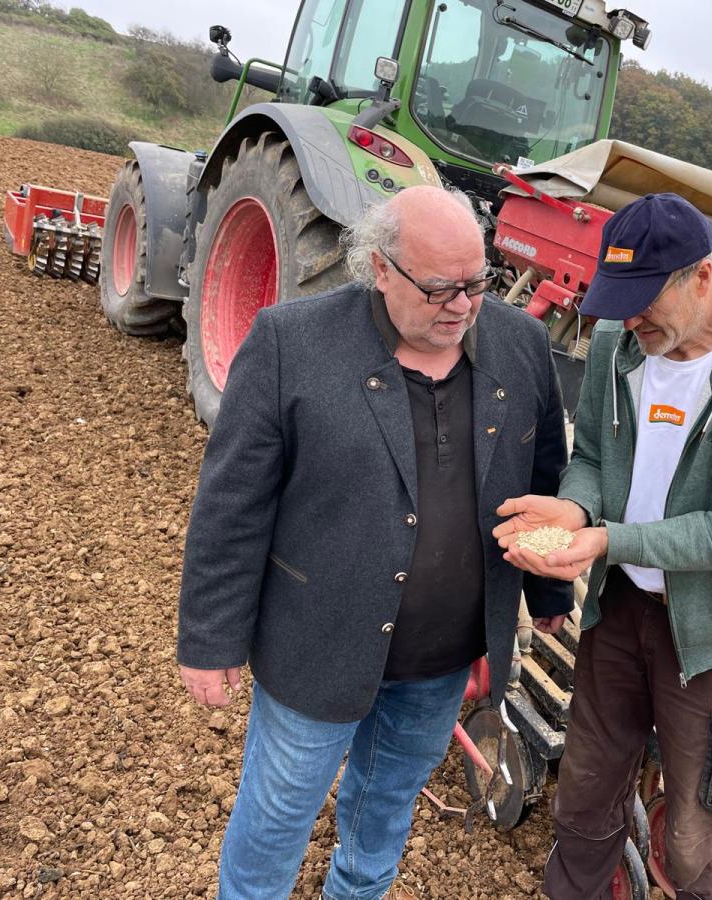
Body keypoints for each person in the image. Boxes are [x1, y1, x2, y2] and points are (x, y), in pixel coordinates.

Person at [176, 185, 572, 900]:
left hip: (440, 659)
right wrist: (210, 638)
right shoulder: (291, 343)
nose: (462, 304)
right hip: (315, 647)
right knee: (275, 818)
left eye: (477, 283)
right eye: (441, 288)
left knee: (383, 815)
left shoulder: (522, 345)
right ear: (380, 268)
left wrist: (547, 589)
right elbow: (232, 504)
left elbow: (544, 474)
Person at [495, 193, 712, 900]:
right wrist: (575, 503)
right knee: (584, 794)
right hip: (621, 610)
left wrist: (605, 538)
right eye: (621, 300)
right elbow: (594, 456)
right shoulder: (622, 342)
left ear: (703, 276)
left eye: (646, 298)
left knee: (696, 832)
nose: (630, 317)